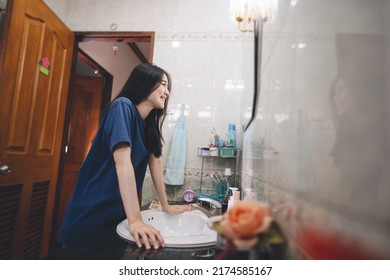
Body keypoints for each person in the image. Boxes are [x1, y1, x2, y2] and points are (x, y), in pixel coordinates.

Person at [57, 63, 190, 250]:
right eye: (163, 84)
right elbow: (123, 163)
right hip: (92, 211)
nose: (167, 92)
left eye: (168, 87)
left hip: (118, 214)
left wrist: (165, 205)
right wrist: (136, 220)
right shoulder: (122, 107)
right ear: (145, 83)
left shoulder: (148, 126)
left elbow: (156, 164)